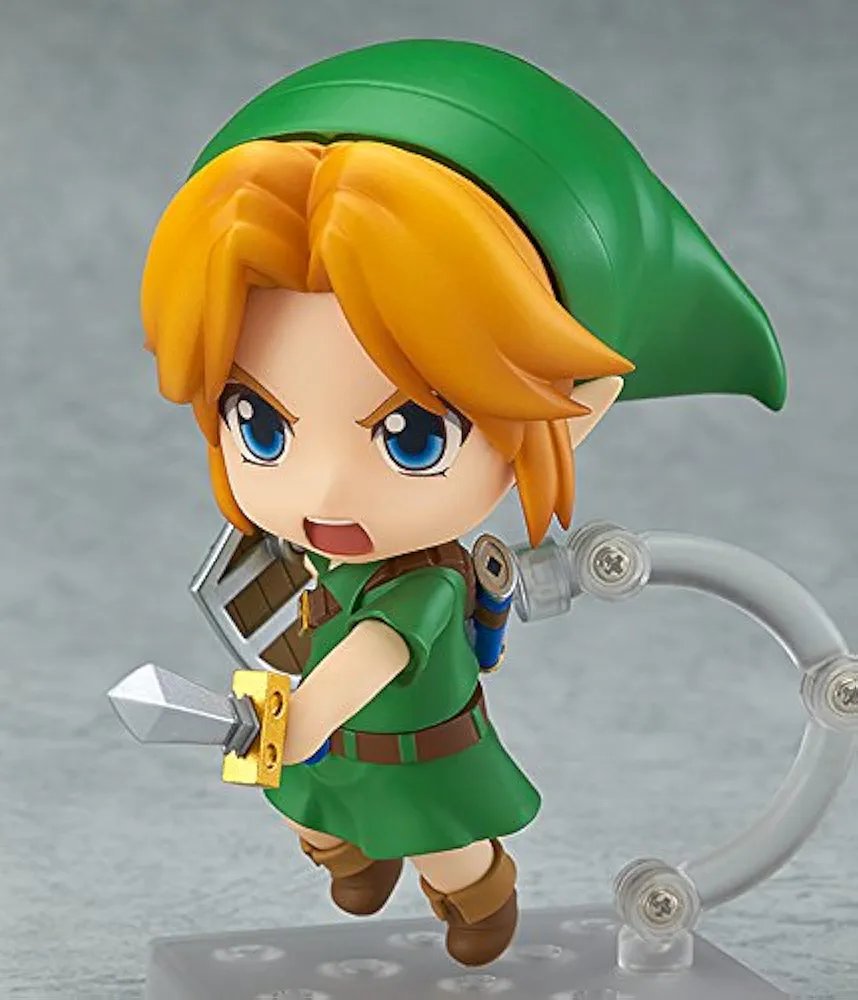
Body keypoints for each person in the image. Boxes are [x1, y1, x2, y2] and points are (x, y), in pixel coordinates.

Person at [139, 39, 785, 966]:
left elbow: (371, 652)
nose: (324, 490)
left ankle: (481, 899)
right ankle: (350, 855)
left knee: (446, 851)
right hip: (334, 754)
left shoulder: (425, 587)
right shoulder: (312, 549)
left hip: (418, 754)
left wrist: (301, 718)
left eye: (411, 436)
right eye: (261, 425)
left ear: (574, 409)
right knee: (312, 820)